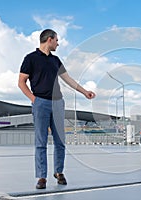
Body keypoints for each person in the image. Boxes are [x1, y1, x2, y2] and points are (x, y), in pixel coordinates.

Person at [18, 29, 96, 189]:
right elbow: (21, 82)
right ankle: (41, 177)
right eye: (57, 40)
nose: (58, 43)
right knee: (41, 142)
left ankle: (59, 172)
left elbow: (68, 80)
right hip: (41, 103)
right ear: (49, 39)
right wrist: (34, 100)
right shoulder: (30, 59)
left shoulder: (55, 60)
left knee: (60, 140)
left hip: (58, 103)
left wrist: (84, 91)